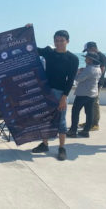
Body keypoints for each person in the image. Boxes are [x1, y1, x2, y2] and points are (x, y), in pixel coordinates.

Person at [30, 27, 79, 161]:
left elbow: (70, 80)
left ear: (67, 41)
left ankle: (61, 148)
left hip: (60, 93)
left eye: (61, 40)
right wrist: (28, 31)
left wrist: (64, 97)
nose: (58, 43)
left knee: (61, 121)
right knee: (45, 119)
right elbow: (32, 48)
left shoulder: (72, 59)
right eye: (56, 40)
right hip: (45, 91)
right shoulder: (49, 52)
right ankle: (45, 144)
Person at [67, 52, 101, 138]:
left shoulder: (89, 69)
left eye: (87, 58)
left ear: (91, 60)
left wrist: (77, 72)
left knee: (75, 111)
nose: (85, 59)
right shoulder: (98, 69)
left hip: (83, 94)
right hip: (93, 93)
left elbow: (78, 79)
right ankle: (86, 131)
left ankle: (73, 131)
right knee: (89, 112)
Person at [79, 42, 106, 131]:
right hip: (90, 84)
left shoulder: (101, 56)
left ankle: (95, 124)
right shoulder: (91, 55)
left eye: (88, 50)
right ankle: (89, 122)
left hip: (97, 83)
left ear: (93, 48)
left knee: (95, 103)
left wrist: (93, 79)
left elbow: (101, 70)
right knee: (88, 104)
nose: (87, 52)